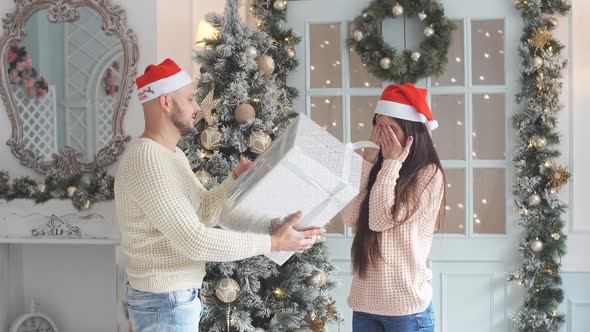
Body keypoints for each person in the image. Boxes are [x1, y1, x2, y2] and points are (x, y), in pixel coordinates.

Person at [114, 58, 325, 332]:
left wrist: (233, 181)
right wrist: (273, 243)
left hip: (172, 300)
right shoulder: (147, 159)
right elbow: (194, 240)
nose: (197, 108)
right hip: (165, 303)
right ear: (165, 102)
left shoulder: (171, 155)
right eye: (190, 99)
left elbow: (202, 212)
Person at [342, 83, 446, 332]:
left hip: (406, 309)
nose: (383, 135)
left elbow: (379, 220)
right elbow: (349, 216)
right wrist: (367, 162)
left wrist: (390, 163)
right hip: (365, 303)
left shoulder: (429, 174)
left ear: (412, 133)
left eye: (392, 128)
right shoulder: (377, 165)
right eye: (378, 125)